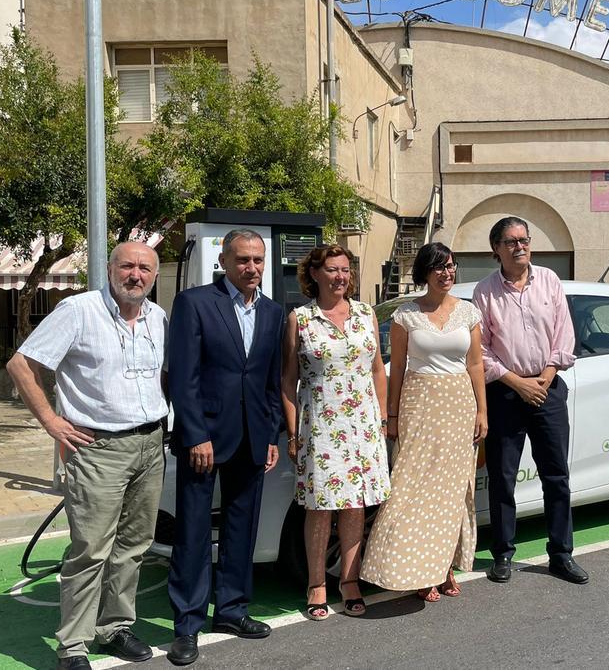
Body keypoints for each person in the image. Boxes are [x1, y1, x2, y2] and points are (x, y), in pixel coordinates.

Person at [6, 242, 167, 670]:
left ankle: (114, 627)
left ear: (153, 275)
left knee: (134, 546)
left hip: (150, 444)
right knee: (91, 549)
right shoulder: (78, 311)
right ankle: (74, 646)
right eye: (127, 265)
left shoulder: (158, 317)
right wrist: (52, 422)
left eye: (145, 268)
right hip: (98, 449)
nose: (136, 275)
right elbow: (21, 365)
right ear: (110, 268)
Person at [166, 229, 284, 666]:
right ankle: (187, 624)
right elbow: (182, 375)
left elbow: (270, 380)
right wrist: (195, 433)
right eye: (243, 260)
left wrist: (271, 435)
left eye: (257, 260)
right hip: (205, 440)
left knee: (242, 528)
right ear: (225, 260)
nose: (251, 268)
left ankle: (232, 610)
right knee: (194, 532)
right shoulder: (195, 303)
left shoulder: (273, 312)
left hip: (253, 437)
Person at [361, 242, 488, 602]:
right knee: (412, 490)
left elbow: (475, 364)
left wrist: (482, 411)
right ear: (424, 273)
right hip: (419, 405)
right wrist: (393, 415)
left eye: (450, 266)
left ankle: (443, 567)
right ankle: (419, 570)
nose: (446, 273)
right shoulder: (405, 316)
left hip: (459, 407)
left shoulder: (468, 312)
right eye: (438, 268)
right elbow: (396, 368)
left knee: (451, 493)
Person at [472, 216, 588, 585]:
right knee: (503, 479)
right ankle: (503, 554)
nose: (520, 246)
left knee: (556, 476)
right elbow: (481, 351)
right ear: (496, 249)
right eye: (511, 241)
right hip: (506, 393)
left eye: (524, 239)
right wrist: (517, 383)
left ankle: (561, 555)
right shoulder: (485, 292)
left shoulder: (550, 281)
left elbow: (564, 337)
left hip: (548, 388)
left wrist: (546, 377)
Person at [282, 245, 390, 620]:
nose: (340, 277)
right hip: (322, 428)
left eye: (345, 270)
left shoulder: (365, 314)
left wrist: (383, 417)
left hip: (363, 427)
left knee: (356, 505)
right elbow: (288, 379)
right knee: (320, 507)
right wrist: (293, 433)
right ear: (314, 274)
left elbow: (377, 369)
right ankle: (316, 583)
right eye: (331, 270)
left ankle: (349, 580)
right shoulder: (301, 318)